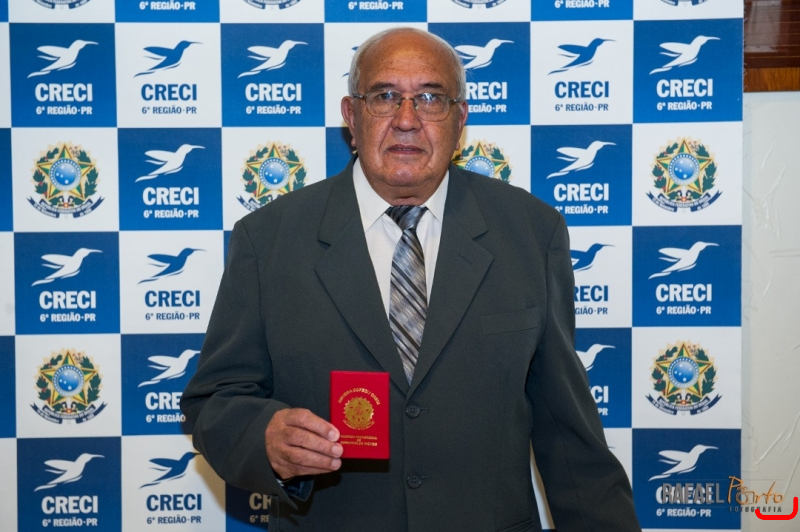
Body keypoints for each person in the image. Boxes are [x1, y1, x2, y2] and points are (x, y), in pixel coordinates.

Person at [181, 27, 641, 531]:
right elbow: (215, 401)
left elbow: (567, 432)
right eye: (384, 96)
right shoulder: (268, 239)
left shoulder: (531, 231)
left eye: (430, 98)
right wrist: (263, 438)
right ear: (351, 116)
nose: (406, 120)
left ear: (460, 119)